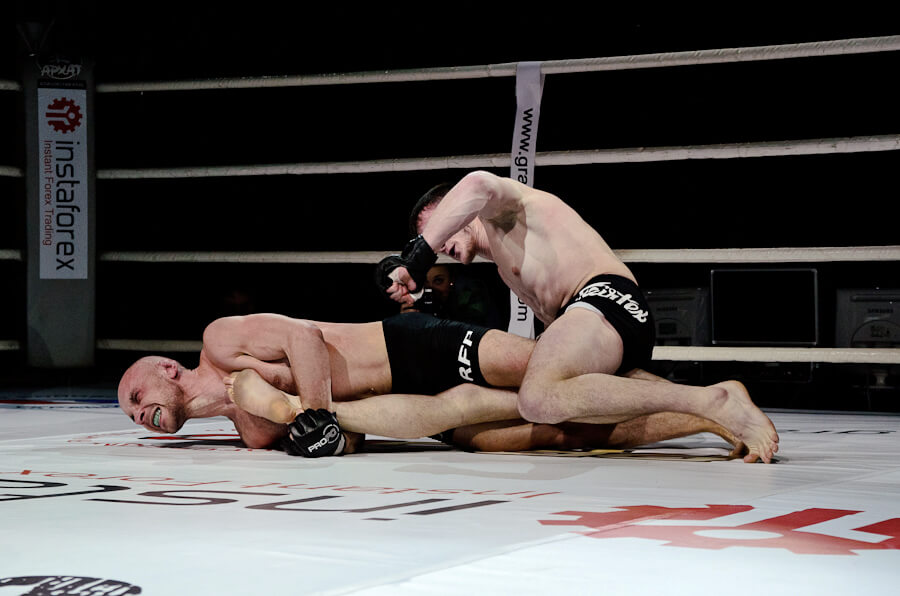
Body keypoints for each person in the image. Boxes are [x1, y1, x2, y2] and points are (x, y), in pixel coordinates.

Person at [377, 170, 779, 463]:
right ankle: (724, 420)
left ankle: (713, 399)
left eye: (438, 229)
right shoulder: (504, 265)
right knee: (565, 405)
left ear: (460, 212)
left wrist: (418, 255)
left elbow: (477, 182)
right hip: (602, 324)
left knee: (537, 398)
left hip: (606, 298)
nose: (440, 245)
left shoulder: (505, 211)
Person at [117, 312, 747, 457]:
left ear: (166, 369)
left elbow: (303, 337)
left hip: (410, 345)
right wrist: (327, 431)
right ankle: (707, 418)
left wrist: (313, 410)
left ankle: (713, 396)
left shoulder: (220, 340)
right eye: (131, 414)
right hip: (416, 408)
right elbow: (347, 439)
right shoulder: (252, 434)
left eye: (137, 397)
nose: (139, 413)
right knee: (556, 432)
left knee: (559, 374)